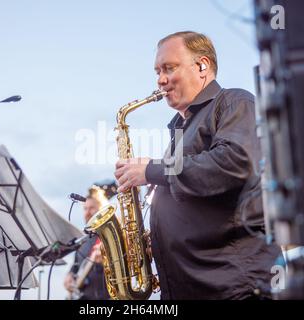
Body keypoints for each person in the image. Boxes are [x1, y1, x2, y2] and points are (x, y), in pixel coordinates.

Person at [114, 31, 282, 299]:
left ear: (202, 66)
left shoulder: (234, 101)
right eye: (157, 71)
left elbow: (235, 162)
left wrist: (151, 170)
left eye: (169, 68)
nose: (160, 80)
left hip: (236, 287)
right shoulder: (180, 129)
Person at [63, 192, 110, 300]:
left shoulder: (108, 237)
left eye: (91, 208)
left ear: (101, 210)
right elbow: (75, 266)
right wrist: (69, 275)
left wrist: (107, 262)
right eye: (85, 208)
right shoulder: (82, 240)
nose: (87, 212)